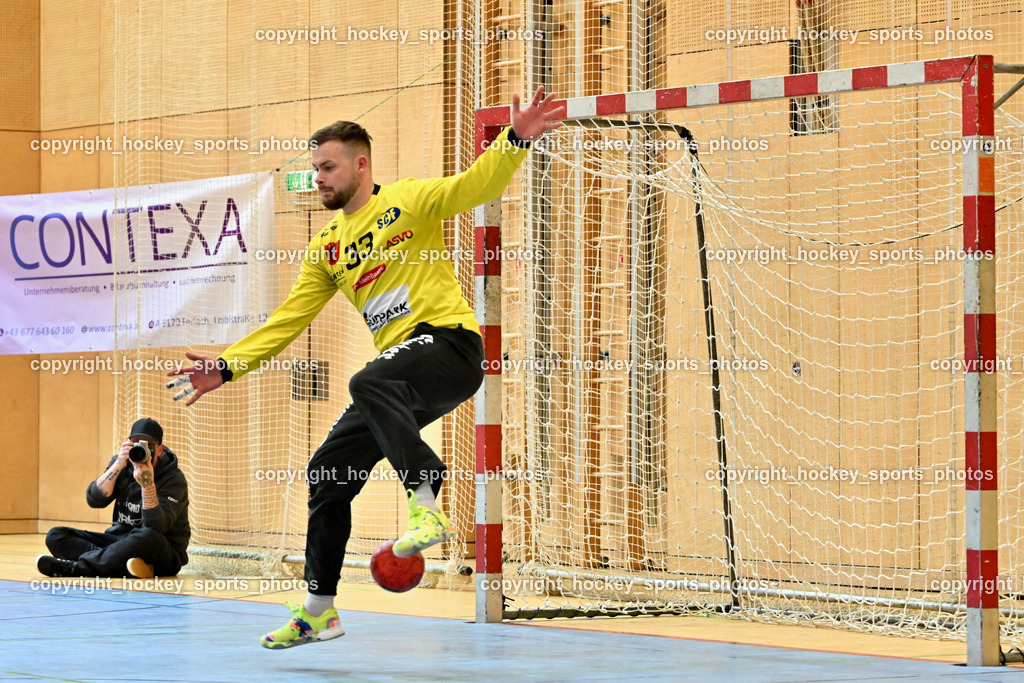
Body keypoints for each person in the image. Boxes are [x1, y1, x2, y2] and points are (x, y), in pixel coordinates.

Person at [166, 87, 564, 649]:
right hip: (397, 380)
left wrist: (516, 137)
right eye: (315, 169)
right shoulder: (327, 246)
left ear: (361, 163)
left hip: (449, 350)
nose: (319, 178)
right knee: (326, 474)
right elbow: (288, 320)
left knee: (367, 378)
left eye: (327, 167)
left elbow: (476, 186)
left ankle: (425, 502)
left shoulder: (409, 201)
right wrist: (227, 367)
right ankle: (319, 611)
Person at [37, 417, 191, 580]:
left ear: (160, 449)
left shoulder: (174, 478)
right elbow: (94, 500)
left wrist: (147, 484)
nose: (142, 450)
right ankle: (119, 564)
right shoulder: (123, 464)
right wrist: (118, 464)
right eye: (136, 444)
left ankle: (79, 568)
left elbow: (156, 527)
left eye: (148, 446)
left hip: (160, 549)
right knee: (56, 536)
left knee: (147, 536)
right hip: (119, 541)